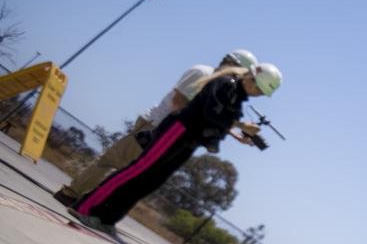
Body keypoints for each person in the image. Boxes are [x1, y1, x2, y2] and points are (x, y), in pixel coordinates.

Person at [69, 63, 282, 232]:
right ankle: (87, 208)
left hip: (190, 141)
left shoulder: (237, 98)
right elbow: (212, 113)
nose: (258, 94)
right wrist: (240, 125)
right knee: (138, 170)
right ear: (252, 78)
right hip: (178, 130)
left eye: (262, 93)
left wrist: (235, 131)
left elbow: (222, 121)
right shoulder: (225, 83)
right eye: (259, 89)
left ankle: (107, 218)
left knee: (150, 181)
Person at [55, 49, 266, 207]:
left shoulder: (219, 87)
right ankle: (70, 194)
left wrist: (237, 135)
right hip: (154, 127)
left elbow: (207, 114)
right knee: (111, 162)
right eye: (243, 73)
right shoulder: (202, 73)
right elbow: (179, 102)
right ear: (233, 64)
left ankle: (89, 202)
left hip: (166, 136)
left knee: (127, 174)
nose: (242, 78)